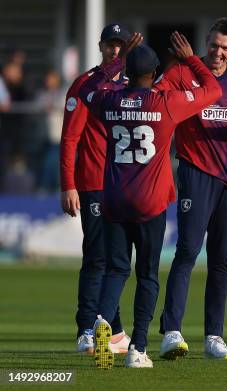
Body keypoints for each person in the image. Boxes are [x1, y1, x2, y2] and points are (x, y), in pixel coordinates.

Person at [80, 31, 222, 368]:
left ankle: (101, 321)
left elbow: (88, 91)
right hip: (149, 203)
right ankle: (137, 350)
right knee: (146, 275)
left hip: (114, 200)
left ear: (127, 71)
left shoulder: (110, 101)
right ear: (154, 73)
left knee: (116, 269)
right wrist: (190, 58)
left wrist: (115, 60)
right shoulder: (166, 103)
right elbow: (213, 90)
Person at [155, 17, 227, 360]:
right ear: (206, 42)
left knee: (221, 261)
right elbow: (153, 101)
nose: (218, 53)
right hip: (195, 172)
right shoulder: (181, 73)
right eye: (214, 45)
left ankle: (214, 337)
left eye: (225, 48)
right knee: (188, 250)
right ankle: (171, 332)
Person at [59, 23, 131, 355]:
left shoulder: (133, 86)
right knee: (98, 258)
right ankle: (87, 329)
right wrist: (68, 185)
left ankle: (112, 330)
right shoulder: (86, 85)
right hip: (94, 184)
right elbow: (70, 138)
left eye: (120, 45)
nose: (115, 51)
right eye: (110, 45)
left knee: (118, 260)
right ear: (101, 47)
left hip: (127, 186)